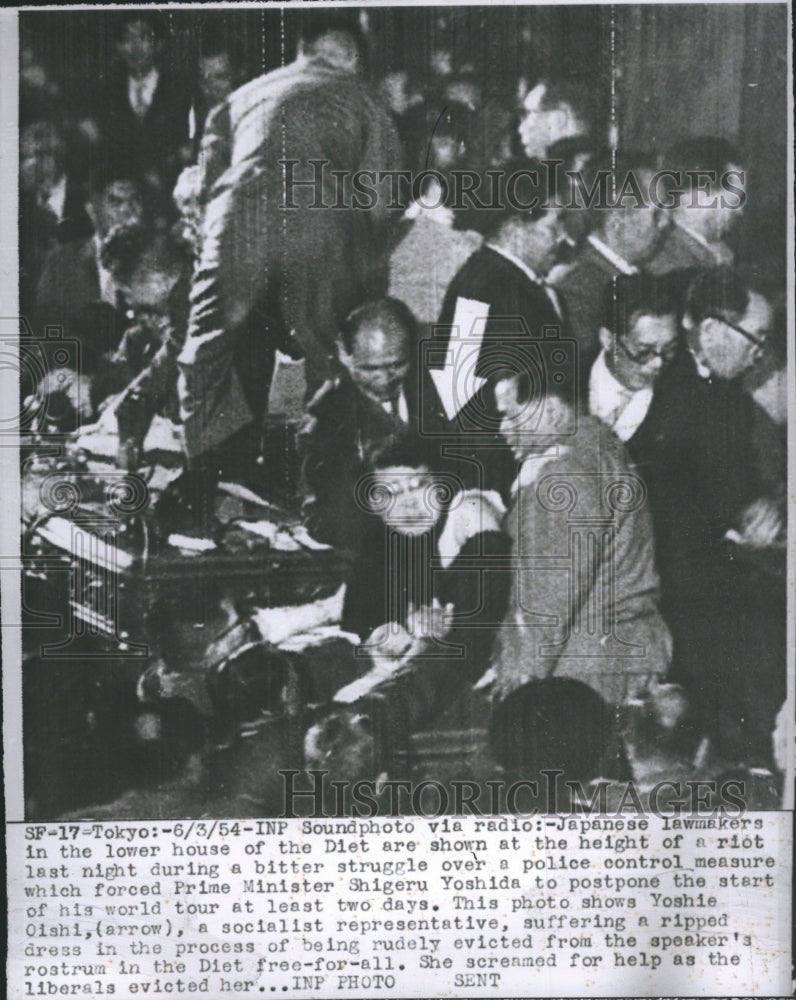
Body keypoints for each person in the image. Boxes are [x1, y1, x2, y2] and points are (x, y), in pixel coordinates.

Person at [177, 14, 403, 474]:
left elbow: (200, 189)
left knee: (206, 351)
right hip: (320, 227)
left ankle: (207, 482)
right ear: (352, 57)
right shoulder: (363, 96)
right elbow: (381, 202)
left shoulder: (240, 97)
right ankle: (321, 486)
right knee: (328, 360)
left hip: (234, 226)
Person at [486, 364, 671, 784]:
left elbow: (546, 604)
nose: (502, 429)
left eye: (512, 415)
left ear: (551, 410)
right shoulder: (597, 444)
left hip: (586, 672)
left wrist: (517, 688)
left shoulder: (564, 473)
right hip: (615, 659)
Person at [630, 268, 781, 771]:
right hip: (667, 572)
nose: (759, 352)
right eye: (754, 337)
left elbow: (741, 489)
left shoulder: (730, 400)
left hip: (714, 561)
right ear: (712, 330)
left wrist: (762, 508)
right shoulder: (659, 387)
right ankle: (758, 762)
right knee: (755, 623)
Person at [430, 162, 568, 497]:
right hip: (506, 481)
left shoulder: (493, 279)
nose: (562, 237)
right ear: (515, 227)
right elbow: (462, 402)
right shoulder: (487, 287)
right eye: (554, 224)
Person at [299, 298, 422, 548]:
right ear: (345, 355)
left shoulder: (434, 395)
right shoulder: (327, 418)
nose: (385, 379)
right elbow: (321, 516)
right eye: (370, 369)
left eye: (397, 365)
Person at [552, 152, 671, 355]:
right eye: (657, 213)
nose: (666, 223)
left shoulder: (641, 277)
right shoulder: (579, 290)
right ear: (618, 222)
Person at [98, 12, 191, 194]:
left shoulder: (181, 91)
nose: (135, 48)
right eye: (127, 39)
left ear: (159, 44)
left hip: (173, 197)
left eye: (143, 38)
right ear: (118, 46)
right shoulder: (105, 95)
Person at [588, 272, 682, 443]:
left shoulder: (680, 408)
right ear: (608, 339)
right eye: (644, 351)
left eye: (669, 350)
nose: (657, 363)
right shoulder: (564, 377)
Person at [648, 137, 745, 274]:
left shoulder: (716, 253)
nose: (740, 211)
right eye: (735, 200)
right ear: (700, 195)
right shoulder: (670, 264)